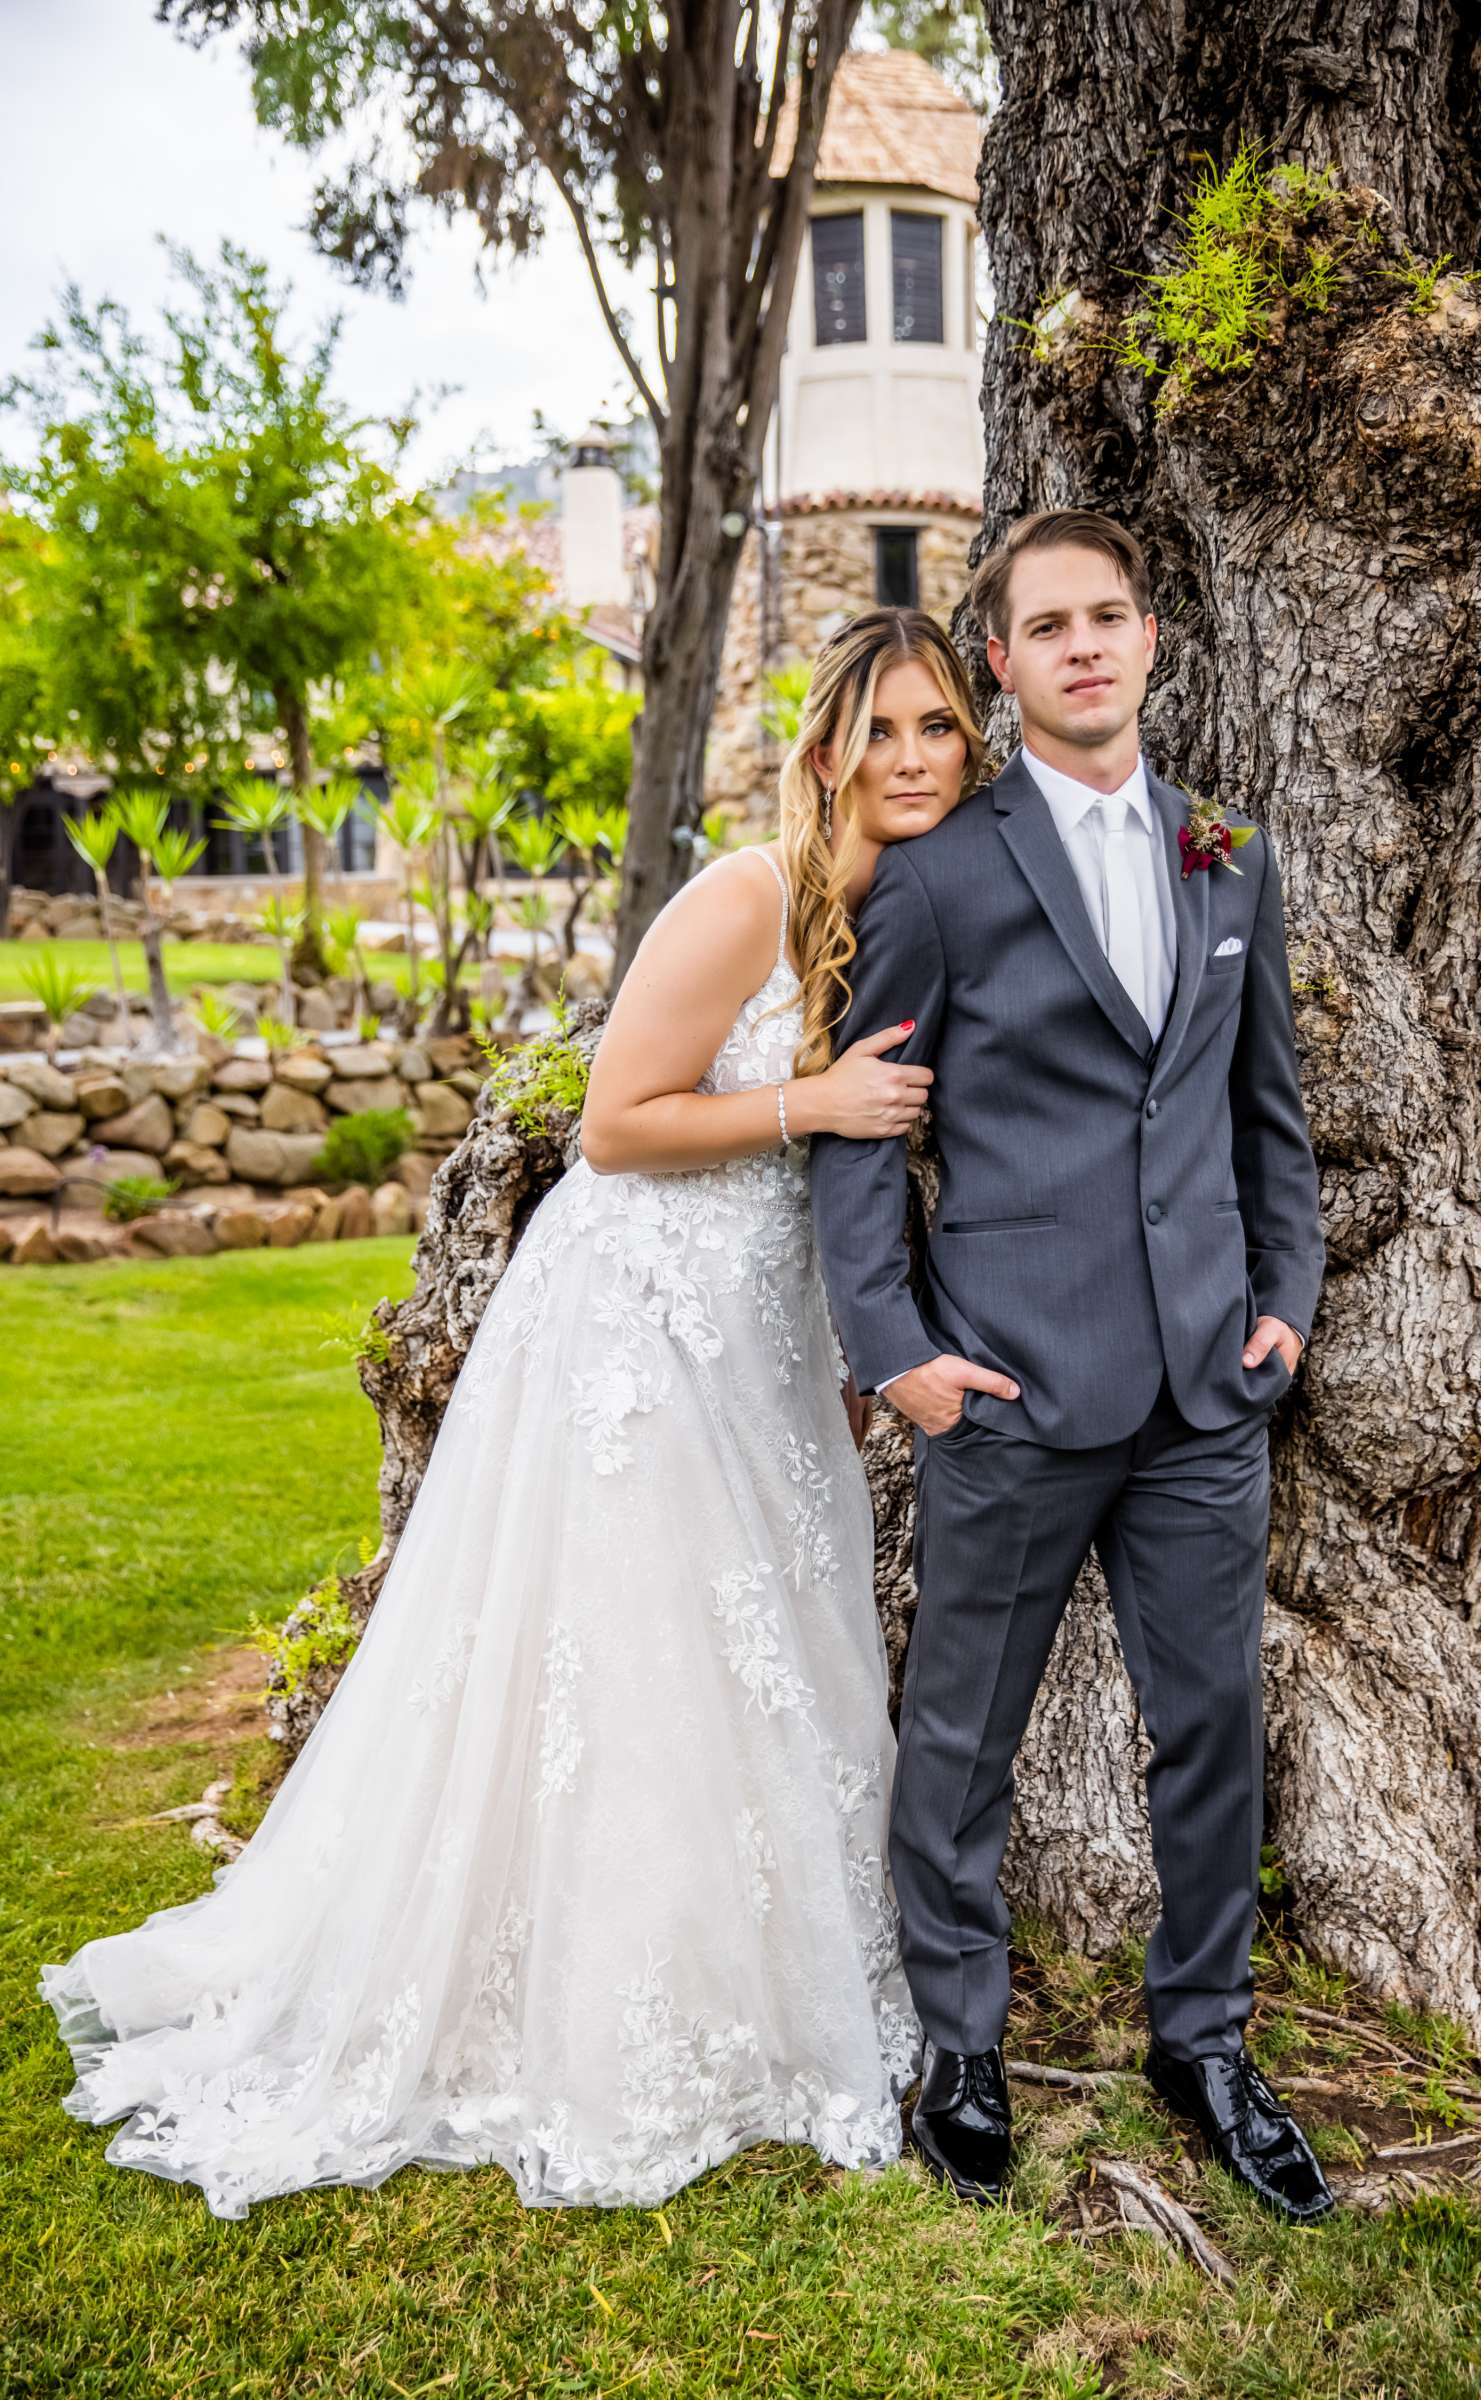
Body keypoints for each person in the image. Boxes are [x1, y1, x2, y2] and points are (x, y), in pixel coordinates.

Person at [37, 608, 987, 2223]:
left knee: (761, 1641)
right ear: (823, 747)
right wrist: (810, 1102)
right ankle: (592, 2008)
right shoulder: (747, 895)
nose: (909, 760)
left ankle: (742, 1977)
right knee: (633, 1650)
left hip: (761, 1322)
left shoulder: (904, 907)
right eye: (879, 730)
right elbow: (616, 1126)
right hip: (633, 1316)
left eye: (939, 731)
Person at [810, 510, 1336, 2225]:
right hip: (1014, 1386)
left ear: (1152, 635)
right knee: (962, 1736)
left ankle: (1205, 2043)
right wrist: (900, 1356)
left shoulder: (1230, 851)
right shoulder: (942, 873)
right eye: (1048, 627)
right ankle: (963, 2043)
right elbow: (860, 1139)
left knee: (1216, 1729)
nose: (1084, 645)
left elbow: (1268, 1114)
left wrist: (1289, 1297)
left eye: (1107, 616)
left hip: (1206, 1387)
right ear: (1006, 666)